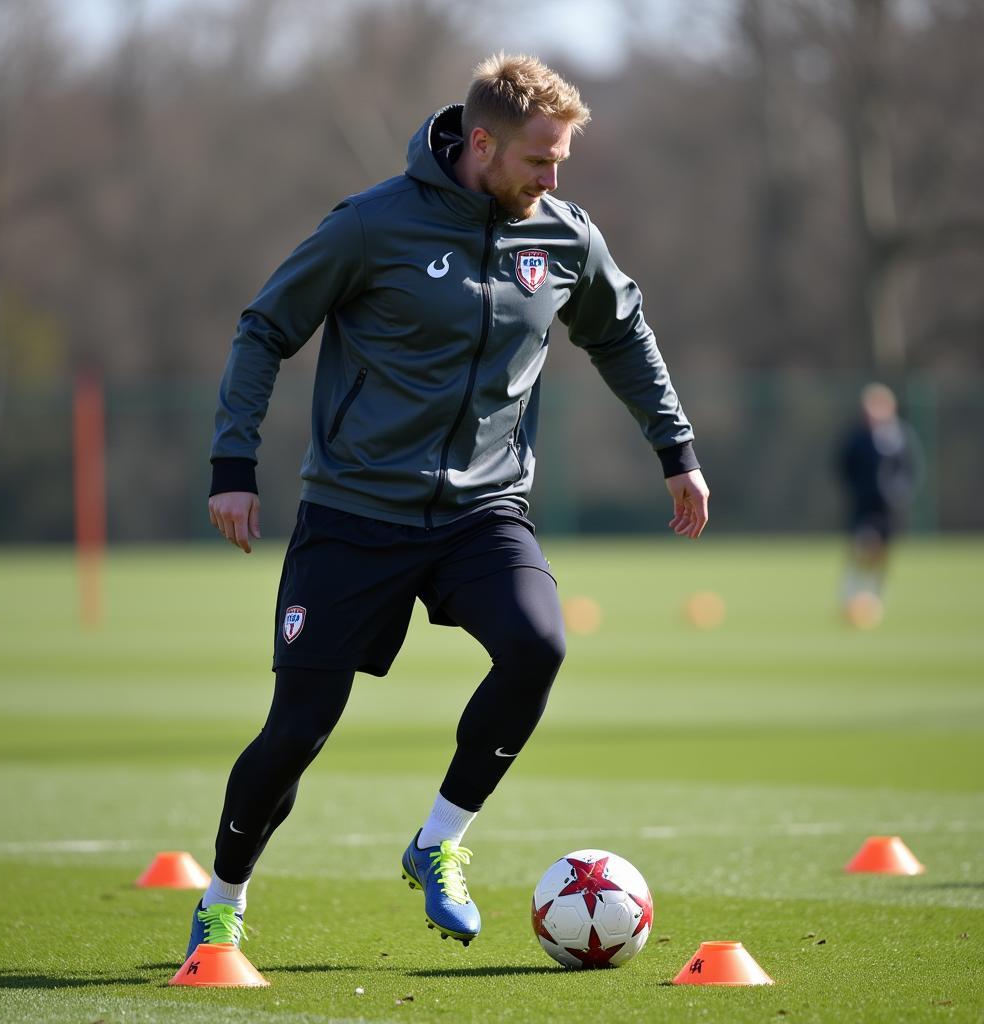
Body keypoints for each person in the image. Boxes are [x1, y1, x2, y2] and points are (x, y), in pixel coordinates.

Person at [188, 53, 709, 960]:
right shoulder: (369, 226)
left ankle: (438, 844)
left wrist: (676, 451)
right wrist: (234, 459)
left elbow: (623, 334)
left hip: (484, 510)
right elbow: (264, 327)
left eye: (562, 164)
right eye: (540, 162)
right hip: (354, 515)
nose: (553, 180)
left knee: (538, 644)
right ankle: (223, 901)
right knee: (297, 732)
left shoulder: (561, 237)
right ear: (481, 144)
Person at [837, 382, 921, 625]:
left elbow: (911, 468)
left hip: (889, 507)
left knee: (883, 552)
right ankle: (849, 595)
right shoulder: (857, 437)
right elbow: (844, 465)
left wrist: (899, 491)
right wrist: (856, 488)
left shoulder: (900, 436)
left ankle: (875, 597)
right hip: (864, 503)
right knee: (861, 546)